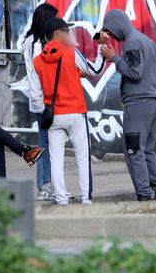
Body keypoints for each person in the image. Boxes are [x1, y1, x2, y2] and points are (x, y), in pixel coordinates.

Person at [100, 10, 156, 201]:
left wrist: (114, 57)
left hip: (137, 106)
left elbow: (134, 72)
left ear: (117, 25)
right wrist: (148, 87)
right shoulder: (147, 41)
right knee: (147, 150)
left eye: (110, 31)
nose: (111, 36)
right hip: (153, 103)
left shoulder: (131, 43)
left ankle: (144, 195)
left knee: (134, 151)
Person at [33, 18, 105, 205]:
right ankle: (86, 198)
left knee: (56, 160)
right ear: (57, 33)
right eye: (66, 30)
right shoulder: (72, 53)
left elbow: (35, 94)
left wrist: (45, 112)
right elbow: (95, 69)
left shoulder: (37, 61)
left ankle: (61, 199)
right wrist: (101, 48)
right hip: (75, 113)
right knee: (82, 158)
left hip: (53, 116)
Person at [22, 3, 58, 201]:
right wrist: (43, 102)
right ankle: (44, 185)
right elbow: (38, 74)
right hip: (42, 101)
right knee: (45, 143)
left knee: (49, 142)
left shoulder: (34, 42)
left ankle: (49, 184)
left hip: (42, 100)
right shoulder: (36, 45)